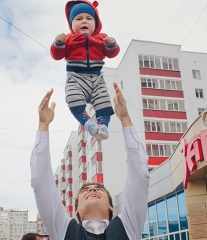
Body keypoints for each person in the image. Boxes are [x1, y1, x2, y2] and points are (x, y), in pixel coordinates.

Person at [30, 82, 150, 240]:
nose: (92, 190)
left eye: (98, 189)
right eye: (85, 190)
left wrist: (125, 119)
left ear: (110, 206)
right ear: (76, 210)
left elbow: (140, 176)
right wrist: (43, 125)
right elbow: (41, 183)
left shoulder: (128, 226)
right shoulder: (63, 230)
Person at [50, 0, 120, 140]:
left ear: (96, 23)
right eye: (79, 18)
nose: (84, 21)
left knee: (104, 102)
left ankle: (103, 125)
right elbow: (56, 55)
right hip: (76, 78)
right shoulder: (69, 38)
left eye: (89, 18)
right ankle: (87, 122)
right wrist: (58, 43)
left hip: (97, 79)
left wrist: (111, 44)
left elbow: (112, 53)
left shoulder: (102, 38)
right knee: (72, 98)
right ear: (71, 23)